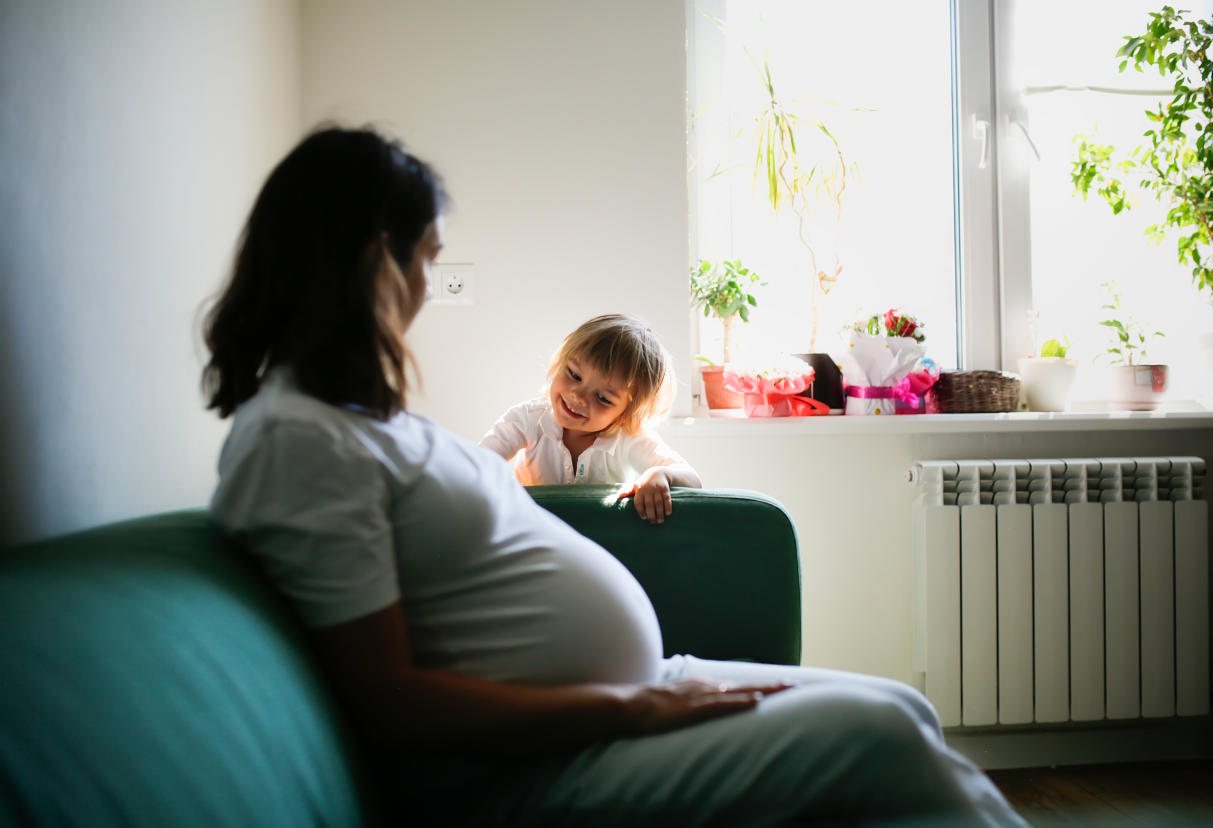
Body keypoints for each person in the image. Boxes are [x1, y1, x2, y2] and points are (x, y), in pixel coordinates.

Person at [202, 125, 1026, 827]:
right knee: (880, 738)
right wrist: (629, 708)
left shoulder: (355, 420)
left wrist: (638, 692)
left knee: (904, 708)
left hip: (615, 702)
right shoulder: (297, 442)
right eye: (424, 261)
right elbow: (390, 702)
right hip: (537, 763)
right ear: (373, 266)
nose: (425, 288)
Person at [480, 313, 702, 524]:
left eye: (603, 398)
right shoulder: (528, 418)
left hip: (600, 536)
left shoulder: (627, 437)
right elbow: (479, 461)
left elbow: (693, 480)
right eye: (574, 375)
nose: (578, 397)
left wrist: (660, 474)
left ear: (626, 414)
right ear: (560, 361)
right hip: (532, 528)